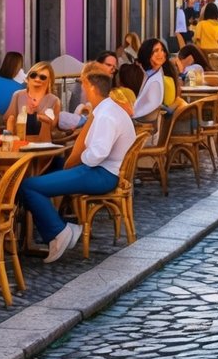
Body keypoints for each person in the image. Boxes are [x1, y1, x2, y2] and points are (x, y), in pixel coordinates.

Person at [19, 72, 136, 263]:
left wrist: (80, 158)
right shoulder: (109, 110)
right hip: (100, 172)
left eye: (82, 87)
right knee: (30, 185)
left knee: (29, 186)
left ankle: (59, 232)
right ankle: (59, 231)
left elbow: (98, 153)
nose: (82, 92)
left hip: (99, 174)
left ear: (90, 87)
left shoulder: (106, 115)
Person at [2, 61, 61, 142]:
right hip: (19, 142)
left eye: (42, 77)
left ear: (49, 81)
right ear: (28, 77)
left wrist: (37, 115)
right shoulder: (18, 95)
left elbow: (52, 126)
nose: (37, 79)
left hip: (42, 144)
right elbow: (9, 119)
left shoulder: (54, 100)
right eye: (33, 75)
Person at [133, 39, 171, 121]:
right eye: (156, 51)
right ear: (147, 53)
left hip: (145, 121)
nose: (161, 54)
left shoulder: (155, 79)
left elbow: (152, 106)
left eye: (162, 50)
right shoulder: (145, 74)